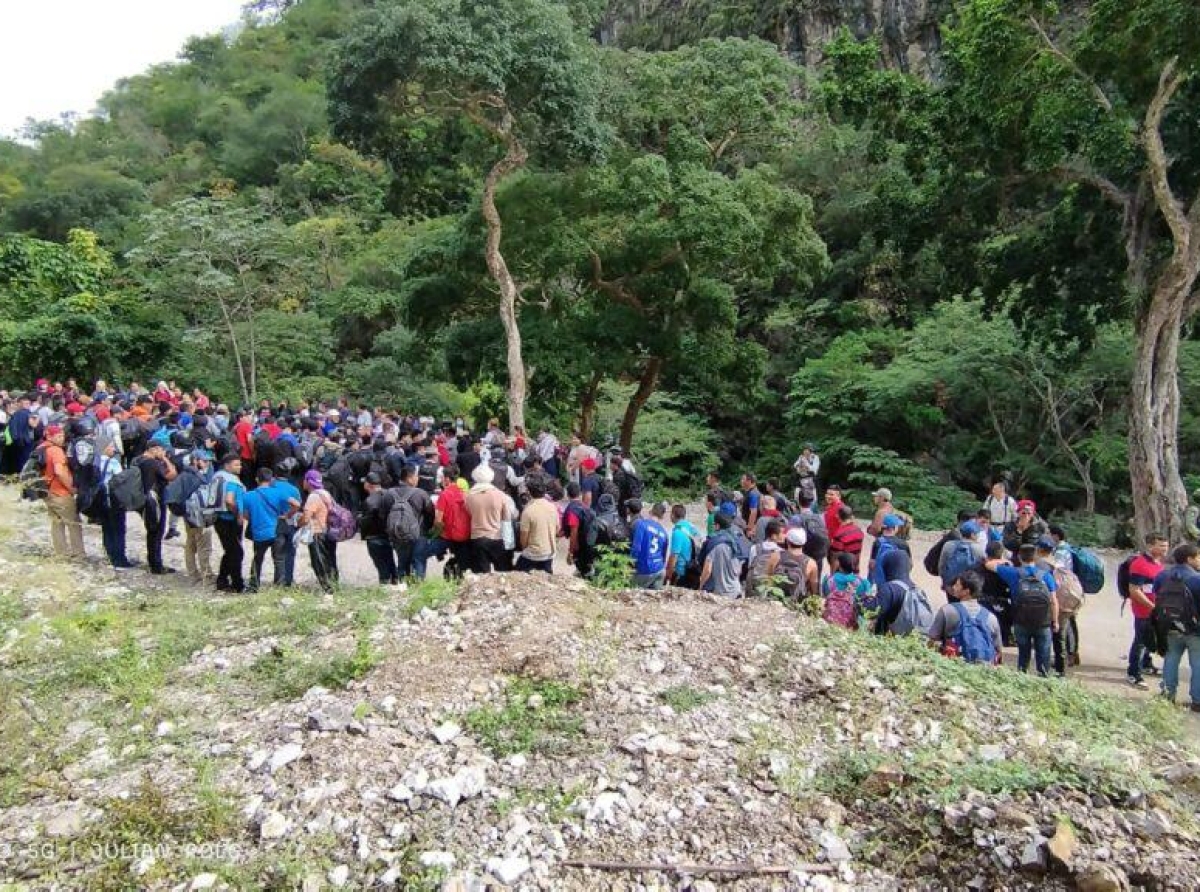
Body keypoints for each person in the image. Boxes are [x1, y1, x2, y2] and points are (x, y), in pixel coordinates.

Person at [992, 543, 1058, 677]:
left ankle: (1022, 677)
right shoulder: (1046, 576)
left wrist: (1005, 561)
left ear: (1019, 557)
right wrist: (1055, 621)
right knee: (1044, 654)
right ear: (1036, 557)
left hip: (1021, 620)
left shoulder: (1013, 573)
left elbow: (989, 564)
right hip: (1043, 622)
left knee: (1023, 653)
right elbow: (1053, 601)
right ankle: (1043, 680)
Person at [1155, 543, 1200, 710]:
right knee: (1197, 663)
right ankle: (1197, 700)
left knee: (1171, 658)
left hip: (1169, 626)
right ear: (1189, 559)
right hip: (1195, 629)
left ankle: (1167, 694)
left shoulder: (1162, 575)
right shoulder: (1197, 579)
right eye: (1198, 557)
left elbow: (1157, 597)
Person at [926, 571, 1002, 663]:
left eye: (957, 585)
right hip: (982, 670)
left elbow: (932, 640)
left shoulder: (947, 611)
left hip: (953, 666)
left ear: (967, 591)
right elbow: (998, 651)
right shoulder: (991, 618)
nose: (953, 587)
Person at [1125, 533, 1168, 689]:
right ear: (1150, 546)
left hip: (1154, 609)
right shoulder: (1139, 564)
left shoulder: (1157, 562)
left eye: (1166, 546)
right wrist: (1152, 607)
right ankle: (1133, 673)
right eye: (1161, 546)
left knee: (1150, 638)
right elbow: (1134, 590)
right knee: (1140, 641)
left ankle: (1146, 664)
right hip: (1144, 610)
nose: (1165, 549)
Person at [42, 424, 85, 559]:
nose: (62, 439)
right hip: (61, 492)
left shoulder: (41, 448)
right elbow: (59, 472)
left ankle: (61, 553)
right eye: (58, 436)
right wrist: (71, 487)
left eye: (62, 435)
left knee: (57, 523)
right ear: (50, 436)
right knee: (74, 523)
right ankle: (78, 553)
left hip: (47, 491)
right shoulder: (56, 451)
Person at [391, 464, 437, 579]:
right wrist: (429, 530)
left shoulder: (389, 494)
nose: (418, 478)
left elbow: (384, 514)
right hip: (419, 533)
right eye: (416, 476)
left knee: (402, 562)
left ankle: (402, 586)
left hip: (398, 534)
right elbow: (431, 514)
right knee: (419, 561)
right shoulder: (421, 494)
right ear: (409, 478)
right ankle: (418, 588)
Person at [139, 439, 178, 574]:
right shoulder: (152, 463)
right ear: (153, 449)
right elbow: (172, 475)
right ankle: (156, 565)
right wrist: (166, 460)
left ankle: (153, 561)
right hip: (155, 499)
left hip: (144, 498)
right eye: (161, 450)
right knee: (157, 532)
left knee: (151, 531)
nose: (163, 452)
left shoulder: (137, 460)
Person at [243, 468, 285, 593]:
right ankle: (279, 586)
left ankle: (254, 586)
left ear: (257, 479)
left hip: (259, 533)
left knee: (257, 559)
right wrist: (286, 515)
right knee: (279, 559)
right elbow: (294, 504)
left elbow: (245, 514)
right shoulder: (278, 493)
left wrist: (252, 517)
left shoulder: (248, 496)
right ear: (271, 479)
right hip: (276, 530)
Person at [95, 437, 133, 568]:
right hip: (114, 499)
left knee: (107, 528)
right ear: (104, 448)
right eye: (111, 447)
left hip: (100, 499)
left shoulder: (95, 462)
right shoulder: (113, 463)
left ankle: (109, 553)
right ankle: (119, 558)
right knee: (118, 528)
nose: (114, 449)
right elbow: (121, 479)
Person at [299, 469, 339, 592]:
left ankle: (328, 589)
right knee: (331, 560)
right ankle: (335, 585)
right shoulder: (326, 493)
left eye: (305, 479)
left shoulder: (313, 497)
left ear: (308, 482)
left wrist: (297, 523)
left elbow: (306, 518)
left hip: (317, 532)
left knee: (319, 562)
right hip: (329, 531)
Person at [213, 454, 247, 593]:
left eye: (240, 464)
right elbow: (229, 500)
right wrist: (237, 514)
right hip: (230, 520)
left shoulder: (217, 476)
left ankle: (222, 580)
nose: (240, 467)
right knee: (237, 552)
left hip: (218, 518)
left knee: (230, 550)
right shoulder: (232, 480)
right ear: (227, 465)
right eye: (236, 464)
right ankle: (237, 584)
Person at [466, 463, 509, 573]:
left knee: (482, 576)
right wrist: (509, 542)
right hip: (496, 537)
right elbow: (506, 520)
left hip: (477, 538)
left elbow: (469, 514)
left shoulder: (469, 496)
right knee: (502, 574)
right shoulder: (500, 495)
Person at [181, 450, 215, 584]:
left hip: (188, 514)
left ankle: (193, 574)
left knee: (190, 543)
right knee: (204, 544)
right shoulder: (197, 477)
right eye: (205, 461)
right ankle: (207, 575)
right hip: (199, 514)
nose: (207, 464)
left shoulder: (184, 474)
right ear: (195, 461)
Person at [360, 472, 398, 584]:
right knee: (391, 563)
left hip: (374, 538)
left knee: (382, 567)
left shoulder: (369, 501)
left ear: (368, 484)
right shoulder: (390, 495)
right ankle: (396, 584)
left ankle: (385, 588)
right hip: (389, 536)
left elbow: (366, 523)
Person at [516, 475, 559, 573]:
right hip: (549, 552)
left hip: (533, 553)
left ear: (529, 493)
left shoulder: (528, 511)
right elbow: (557, 528)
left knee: (518, 573)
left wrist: (525, 549)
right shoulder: (552, 507)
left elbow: (524, 537)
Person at [436, 463, 472, 578]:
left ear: (446, 479)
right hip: (466, 535)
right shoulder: (466, 494)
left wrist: (431, 535)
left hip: (450, 535)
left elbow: (438, 520)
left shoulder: (444, 495)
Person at [699, 512, 746, 598]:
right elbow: (740, 570)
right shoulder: (737, 542)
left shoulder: (713, 543)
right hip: (736, 591)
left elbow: (707, 570)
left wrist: (700, 586)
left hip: (720, 593)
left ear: (717, 526)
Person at [627, 500, 669, 589]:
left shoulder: (641, 524)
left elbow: (636, 548)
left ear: (651, 511)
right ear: (662, 517)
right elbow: (664, 556)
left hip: (644, 569)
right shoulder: (664, 533)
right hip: (659, 569)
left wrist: (629, 566)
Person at [821, 551, 867, 625]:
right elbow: (864, 602)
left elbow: (825, 597)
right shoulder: (863, 583)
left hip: (830, 620)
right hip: (851, 623)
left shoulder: (828, 580)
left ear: (839, 565)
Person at [562, 482, 597, 578]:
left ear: (567, 494)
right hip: (590, 544)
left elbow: (574, 532)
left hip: (580, 547)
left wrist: (571, 552)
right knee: (587, 569)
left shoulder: (572, 510)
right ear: (580, 493)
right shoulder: (586, 507)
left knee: (583, 571)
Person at [869, 514, 911, 588]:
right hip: (898, 582)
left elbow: (872, 565)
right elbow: (910, 565)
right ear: (894, 528)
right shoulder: (903, 544)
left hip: (882, 582)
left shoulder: (878, 542)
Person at [666, 504, 701, 587]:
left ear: (672, 515)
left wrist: (669, 574)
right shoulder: (691, 527)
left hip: (681, 573)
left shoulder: (677, 532)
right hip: (694, 569)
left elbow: (674, 556)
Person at [828, 504, 864, 574]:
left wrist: (832, 575)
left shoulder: (839, 534)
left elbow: (835, 558)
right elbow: (858, 552)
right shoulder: (858, 530)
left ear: (838, 516)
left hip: (843, 571)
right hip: (854, 567)